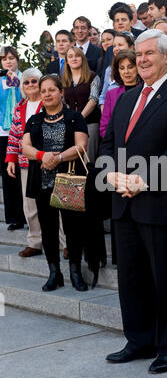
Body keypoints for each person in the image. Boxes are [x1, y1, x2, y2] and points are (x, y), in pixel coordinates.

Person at [101, 29, 167, 373]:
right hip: (123, 202)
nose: (140, 60)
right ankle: (139, 340)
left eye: (148, 54)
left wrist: (142, 181)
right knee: (131, 277)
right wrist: (111, 175)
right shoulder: (126, 98)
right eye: (137, 54)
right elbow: (108, 142)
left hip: (161, 203)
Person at [22, 75, 89, 292]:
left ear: (61, 92)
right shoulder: (34, 120)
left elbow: (81, 146)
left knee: (73, 228)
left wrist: (57, 158)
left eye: (52, 90)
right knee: (48, 230)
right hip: (42, 181)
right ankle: (54, 273)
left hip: (68, 178)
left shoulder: (74, 117)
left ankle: (75, 272)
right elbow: (25, 148)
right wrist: (42, 156)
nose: (48, 94)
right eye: (44, 91)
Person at [6, 69, 43, 257]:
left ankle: (65, 242)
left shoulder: (49, 102)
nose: (30, 85)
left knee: (56, 203)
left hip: (47, 161)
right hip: (24, 162)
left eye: (34, 81)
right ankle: (35, 242)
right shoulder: (20, 107)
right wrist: (11, 159)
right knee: (29, 204)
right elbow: (13, 135)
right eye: (26, 82)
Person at [0, 46, 25, 231]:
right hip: (2, 132)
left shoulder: (25, 78)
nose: (8, 61)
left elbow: (26, 98)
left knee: (22, 175)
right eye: (4, 59)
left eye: (11, 58)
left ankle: (27, 214)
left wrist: (15, 81)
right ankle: (14, 217)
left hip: (23, 132)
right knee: (8, 177)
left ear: (17, 59)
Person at [62, 46, 101, 163]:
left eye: (77, 55)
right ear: (67, 61)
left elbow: (93, 100)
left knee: (88, 160)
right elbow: (64, 102)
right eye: (70, 56)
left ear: (82, 58)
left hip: (90, 123)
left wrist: (79, 118)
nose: (74, 59)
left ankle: (90, 182)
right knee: (72, 160)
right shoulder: (64, 80)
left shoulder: (93, 77)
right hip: (71, 126)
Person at [100, 49, 139, 138]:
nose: (126, 71)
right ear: (117, 70)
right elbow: (104, 127)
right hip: (119, 145)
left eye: (130, 67)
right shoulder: (111, 94)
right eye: (122, 68)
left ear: (137, 67)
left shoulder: (145, 91)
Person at [99, 32, 134, 110]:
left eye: (120, 45)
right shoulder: (109, 70)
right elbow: (103, 97)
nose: (116, 48)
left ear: (131, 47)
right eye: (114, 46)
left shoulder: (139, 68)